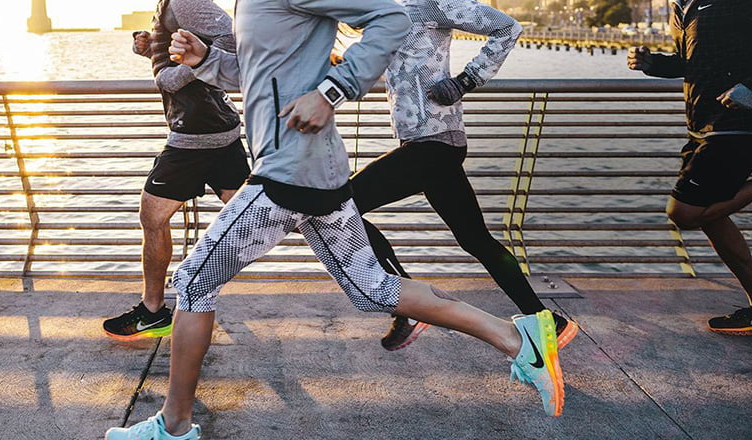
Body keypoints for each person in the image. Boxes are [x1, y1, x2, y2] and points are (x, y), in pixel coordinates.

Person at [105, 2, 566, 438]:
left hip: (289, 171)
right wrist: (206, 59)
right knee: (374, 289)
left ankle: (174, 425)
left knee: (193, 283)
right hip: (314, 171)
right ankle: (518, 340)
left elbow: (390, 18)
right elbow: (259, 73)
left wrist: (331, 92)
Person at [350, 0, 579, 352]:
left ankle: (407, 305)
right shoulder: (389, 7)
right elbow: (403, 68)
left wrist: (465, 81)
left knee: (344, 204)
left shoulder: (431, 2)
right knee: (475, 240)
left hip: (434, 144)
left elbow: (507, 27)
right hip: (428, 144)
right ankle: (547, 320)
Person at [628, 0, 752, 336]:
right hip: (702, 125)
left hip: (739, 122)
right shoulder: (682, 6)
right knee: (711, 213)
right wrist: (653, 64)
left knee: (685, 213)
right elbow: (695, 62)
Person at [101, 0, 249, 341]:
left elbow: (231, 40)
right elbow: (192, 46)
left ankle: (153, 311)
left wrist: (174, 75)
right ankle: (358, 253)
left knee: (152, 217)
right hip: (214, 131)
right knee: (267, 213)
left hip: (196, 136)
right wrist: (151, 46)